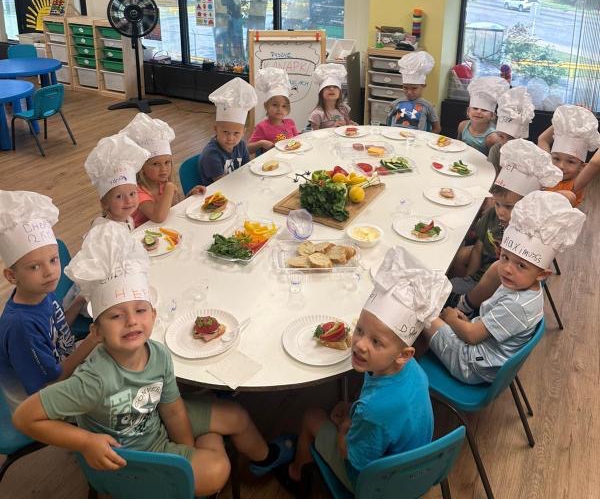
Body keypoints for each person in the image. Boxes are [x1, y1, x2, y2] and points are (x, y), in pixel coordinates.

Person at [12, 222, 290, 498]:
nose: (131, 321)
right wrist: (86, 442)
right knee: (218, 468)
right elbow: (25, 417)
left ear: (153, 316)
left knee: (237, 416)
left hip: (155, 419)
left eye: (140, 310)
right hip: (133, 460)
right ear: (96, 332)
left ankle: (265, 460)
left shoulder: (157, 353)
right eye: (116, 315)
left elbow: (173, 410)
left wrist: (187, 450)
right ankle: (207, 454)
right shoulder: (94, 380)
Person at [263, 248, 450, 495]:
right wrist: (354, 411)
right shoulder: (413, 369)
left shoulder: (372, 410)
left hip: (376, 485)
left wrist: (345, 426)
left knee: (311, 416)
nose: (360, 344)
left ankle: (295, 473)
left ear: (403, 354)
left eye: (376, 342)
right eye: (360, 330)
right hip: (415, 470)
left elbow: (350, 455)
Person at [422, 191, 585, 384]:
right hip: (483, 347)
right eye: (505, 257)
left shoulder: (517, 306)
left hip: (472, 365)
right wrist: (467, 322)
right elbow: (487, 324)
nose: (507, 268)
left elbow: (472, 336)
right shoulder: (519, 285)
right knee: (432, 308)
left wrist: (451, 319)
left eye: (521, 265)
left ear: (542, 274)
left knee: (422, 310)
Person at [0, 191, 96, 413]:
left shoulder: (40, 291)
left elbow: (57, 330)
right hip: (39, 402)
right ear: (11, 276)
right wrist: (91, 341)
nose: (49, 272)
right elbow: (49, 385)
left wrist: (79, 301)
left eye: (53, 260)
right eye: (34, 266)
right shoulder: (21, 327)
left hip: (62, 363)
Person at [447, 139, 562, 299]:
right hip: (480, 276)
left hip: (506, 288)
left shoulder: (532, 231)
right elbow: (479, 247)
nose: (500, 212)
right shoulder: (492, 215)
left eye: (509, 207)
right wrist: (469, 277)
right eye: (497, 204)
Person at [121, 114, 203, 227]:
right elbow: (158, 217)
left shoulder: (162, 183)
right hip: (141, 234)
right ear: (141, 167)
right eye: (156, 164)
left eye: (167, 162)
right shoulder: (137, 192)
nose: (163, 169)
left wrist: (189, 196)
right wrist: (169, 189)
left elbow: (172, 209)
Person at [85, 133, 150, 232]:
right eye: (119, 196)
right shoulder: (105, 231)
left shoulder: (128, 219)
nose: (128, 201)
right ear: (104, 203)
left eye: (132, 193)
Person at [538, 104, 600, 207]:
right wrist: (566, 119)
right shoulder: (546, 171)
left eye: (571, 161)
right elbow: (542, 139)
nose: (561, 166)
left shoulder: (574, 186)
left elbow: (595, 163)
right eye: (556, 158)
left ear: (582, 167)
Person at [198, 78, 257, 185]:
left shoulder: (241, 145)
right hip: (218, 192)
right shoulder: (211, 155)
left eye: (236, 133)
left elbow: (246, 169)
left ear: (243, 132)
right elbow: (222, 184)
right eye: (225, 132)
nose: (230, 138)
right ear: (216, 129)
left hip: (237, 186)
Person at [248, 67, 300, 153]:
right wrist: (261, 143)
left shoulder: (290, 123)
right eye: (275, 105)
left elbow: (297, 140)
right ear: (266, 106)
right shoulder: (262, 127)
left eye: (284, 106)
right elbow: (248, 149)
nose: (279, 109)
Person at [386, 52, 441, 132]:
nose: (409, 92)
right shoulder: (397, 103)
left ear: (423, 86)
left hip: (417, 139)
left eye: (414, 88)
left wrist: (425, 138)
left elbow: (437, 128)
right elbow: (388, 122)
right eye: (405, 88)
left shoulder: (428, 106)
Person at [487, 86, 535, 173]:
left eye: (512, 138)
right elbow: (491, 174)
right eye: (501, 136)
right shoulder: (495, 150)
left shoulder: (531, 155)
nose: (506, 142)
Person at [458, 77, 509, 155]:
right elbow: (457, 145)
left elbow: (492, 159)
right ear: (468, 111)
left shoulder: (492, 137)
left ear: (493, 115)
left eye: (484, 110)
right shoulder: (462, 126)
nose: (478, 112)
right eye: (475, 108)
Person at [309, 63, 353, 130]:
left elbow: (348, 126)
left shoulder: (344, 109)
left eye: (335, 86)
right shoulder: (317, 114)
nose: (331, 89)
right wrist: (333, 129)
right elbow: (314, 134)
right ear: (321, 92)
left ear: (340, 92)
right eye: (327, 87)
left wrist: (351, 126)